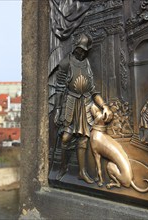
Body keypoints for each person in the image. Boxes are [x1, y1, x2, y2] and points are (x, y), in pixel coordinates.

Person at [54, 33, 113, 183]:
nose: (82, 53)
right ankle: (62, 168)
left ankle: (82, 171)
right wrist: (58, 110)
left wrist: (104, 106)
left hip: (84, 103)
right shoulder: (65, 63)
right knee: (66, 137)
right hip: (70, 103)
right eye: (80, 49)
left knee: (83, 139)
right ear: (75, 47)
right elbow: (59, 88)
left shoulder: (86, 63)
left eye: (84, 50)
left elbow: (93, 89)